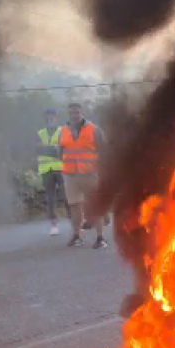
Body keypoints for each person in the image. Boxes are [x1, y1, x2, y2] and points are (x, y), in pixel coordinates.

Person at [58, 102, 108, 249]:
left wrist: (101, 170)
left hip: (89, 174)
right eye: (71, 113)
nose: (74, 115)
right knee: (74, 206)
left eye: (77, 112)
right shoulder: (63, 131)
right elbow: (61, 151)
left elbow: (104, 150)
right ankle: (77, 236)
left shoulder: (94, 130)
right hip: (71, 175)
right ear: (68, 114)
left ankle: (100, 238)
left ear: (82, 112)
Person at [36, 109, 71, 236]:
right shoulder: (40, 133)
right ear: (45, 118)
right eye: (48, 116)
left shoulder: (63, 131)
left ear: (57, 117)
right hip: (46, 169)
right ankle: (54, 224)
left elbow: (66, 147)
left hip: (61, 168)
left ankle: (73, 221)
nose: (50, 118)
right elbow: (36, 148)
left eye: (52, 116)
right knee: (50, 198)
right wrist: (53, 149)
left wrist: (49, 149)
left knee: (67, 195)